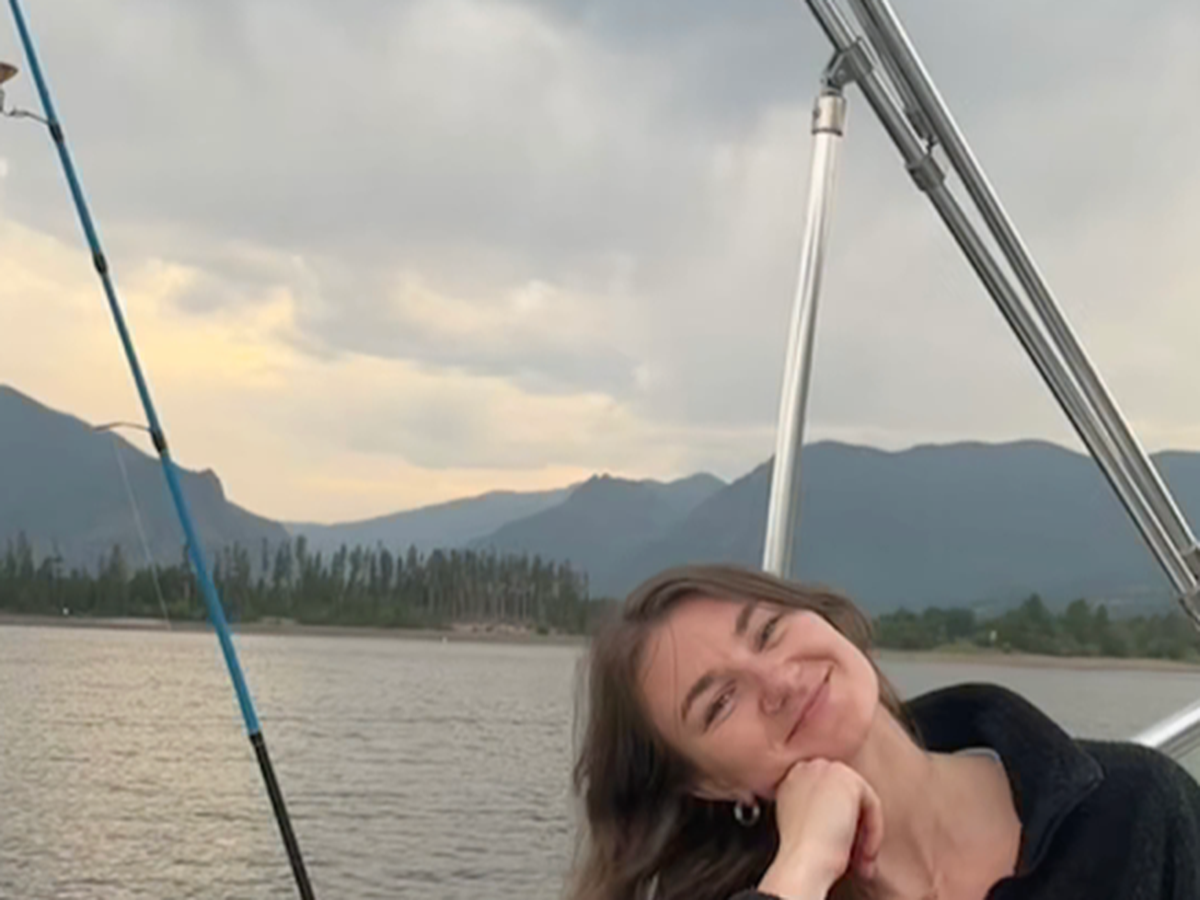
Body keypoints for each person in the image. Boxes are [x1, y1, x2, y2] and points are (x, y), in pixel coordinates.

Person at [566, 563, 1200, 900]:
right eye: (722, 702)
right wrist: (803, 869)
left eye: (768, 631)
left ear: (822, 619)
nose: (778, 680)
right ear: (707, 784)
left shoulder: (1133, 808)